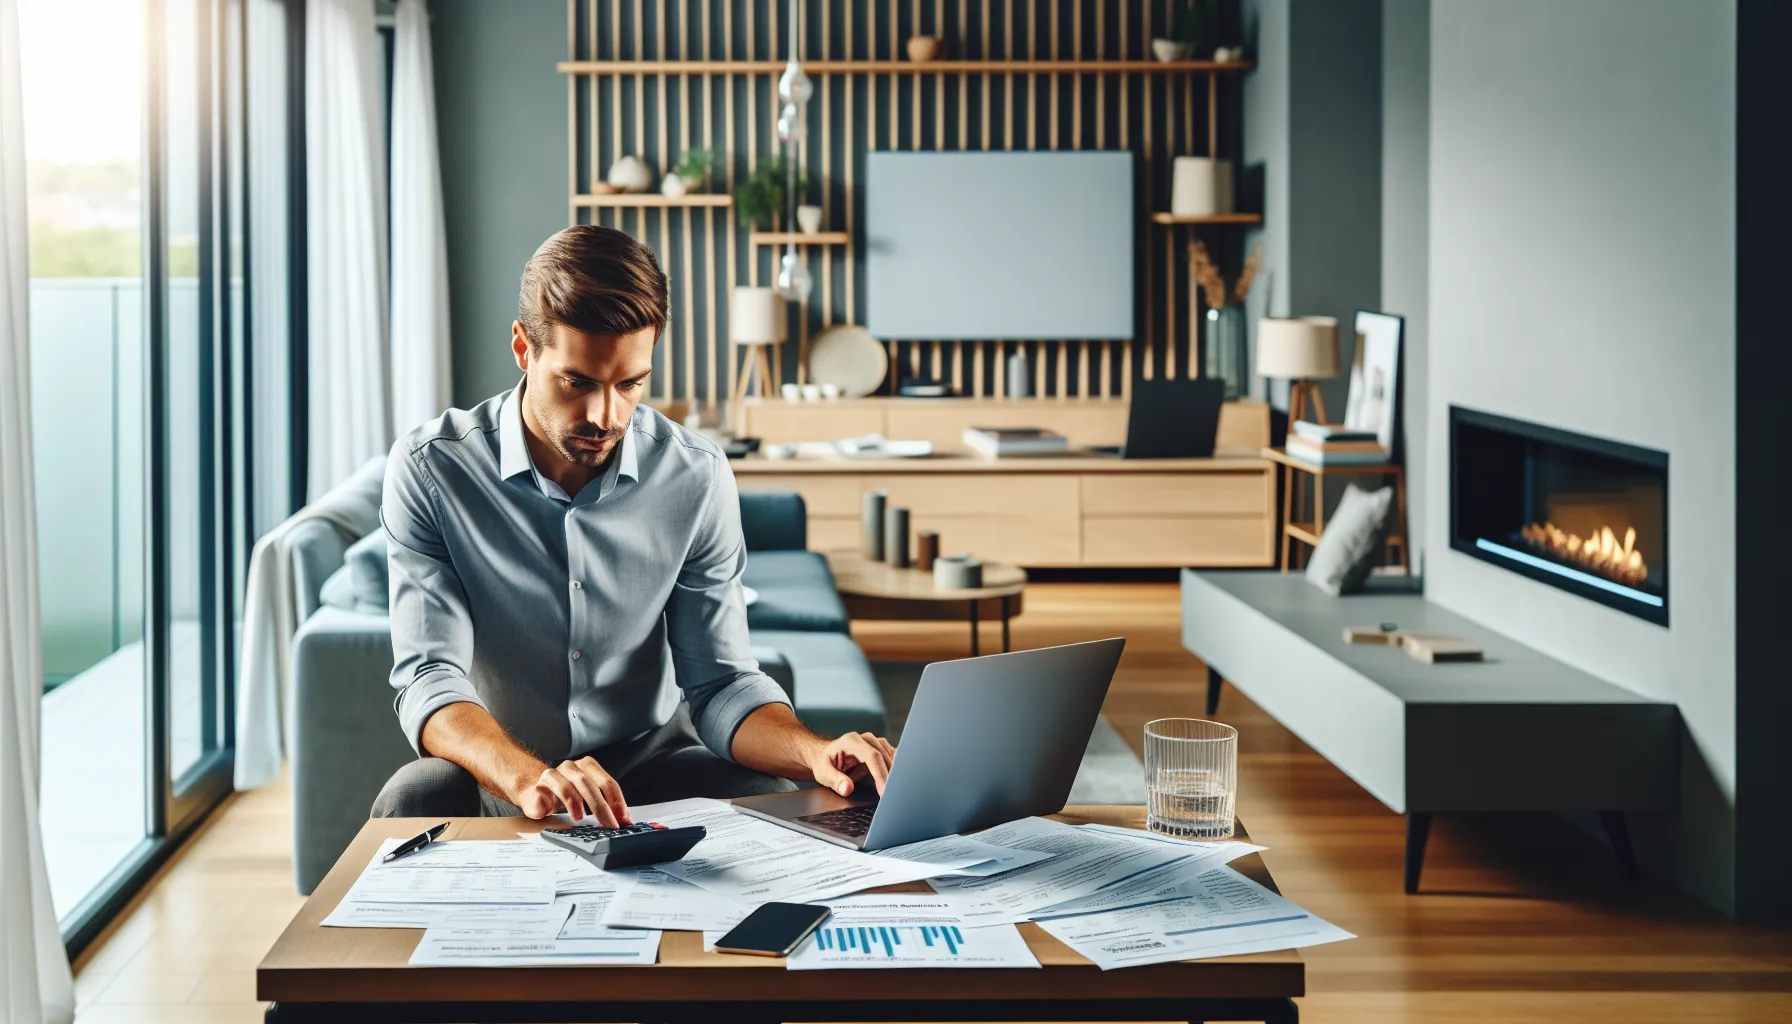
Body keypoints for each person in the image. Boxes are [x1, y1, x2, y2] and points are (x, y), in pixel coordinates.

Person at [371, 225, 896, 826]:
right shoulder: (432, 469)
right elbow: (430, 677)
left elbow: (721, 682)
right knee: (415, 795)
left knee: (768, 790)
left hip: (650, 773)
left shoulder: (696, 475)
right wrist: (530, 778)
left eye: (630, 384)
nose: (605, 415)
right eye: (578, 382)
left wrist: (815, 754)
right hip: (502, 774)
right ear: (523, 348)